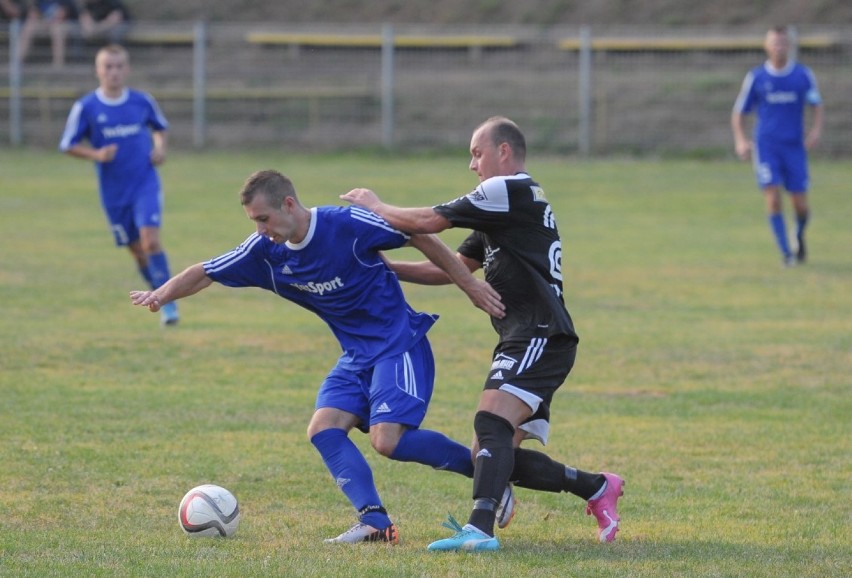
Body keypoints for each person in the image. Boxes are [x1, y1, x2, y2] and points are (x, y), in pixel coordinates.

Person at [129, 169, 513, 544]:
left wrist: (469, 287)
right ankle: (374, 522)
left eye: (264, 218)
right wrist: (161, 295)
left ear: (290, 204)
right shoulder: (265, 252)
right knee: (324, 429)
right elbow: (206, 271)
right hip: (356, 356)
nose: (261, 229)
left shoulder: (345, 224)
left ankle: (490, 477)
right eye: (253, 221)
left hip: (399, 342)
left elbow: (417, 235)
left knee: (387, 442)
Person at [342, 116, 625, 551]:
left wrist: (376, 207)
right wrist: (385, 269)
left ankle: (479, 528)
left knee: (490, 421)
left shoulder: (507, 190)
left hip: (539, 332)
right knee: (489, 455)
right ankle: (597, 487)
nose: (472, 165)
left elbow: (428, 221)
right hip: (528, 334)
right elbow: (451, 269)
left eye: (477, 153)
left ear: (504, 152)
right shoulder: (504, 209)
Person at [60, 44, 179, 325]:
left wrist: (160, 148)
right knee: (137, 250)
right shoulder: (86, 107)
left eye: (119, 66)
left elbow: (159, 127)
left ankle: (168, 303)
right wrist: (96, 154)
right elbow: (67, 144)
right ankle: (156, 294)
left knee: (150, 242)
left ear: (127, 69)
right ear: (98, 70)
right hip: (114, 192)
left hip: (144, 182)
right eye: (108, 66)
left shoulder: (142, 101)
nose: (113, 72)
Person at [731, 25, 824, 267]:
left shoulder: (802, 76)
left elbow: (816, 104)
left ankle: (798, 234)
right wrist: (741, 140)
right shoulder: (757, 77)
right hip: (766, 146)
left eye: (783, 43)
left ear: (789, 46)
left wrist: (815, 130)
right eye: (774, 43)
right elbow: (739, 112)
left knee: (800, 204)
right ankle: (786, 254)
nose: (779, 47)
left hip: (794, 147)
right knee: (772, 198)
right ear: (766, 45)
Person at [16, 0, 78, 68]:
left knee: (57, 30)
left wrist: (47, 22)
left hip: (64, 24)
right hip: (46, 23)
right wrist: (41, 20)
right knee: (29, 27)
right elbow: (33, 14)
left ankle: (58, 65)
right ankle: (17, 63)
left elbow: (61, 16)